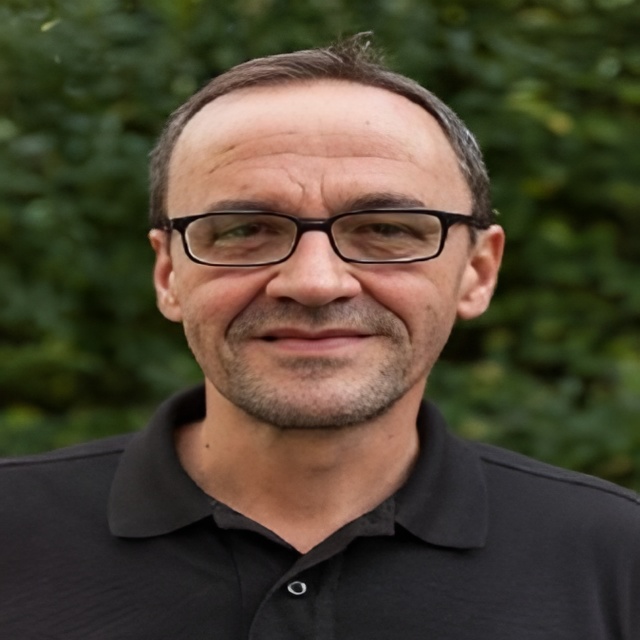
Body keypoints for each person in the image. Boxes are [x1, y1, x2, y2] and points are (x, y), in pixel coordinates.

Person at [1, 35, 638, 639]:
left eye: (386, 229)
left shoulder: (617, 558)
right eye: (244, 231)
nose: (314, 282)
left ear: (477, 272)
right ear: (169, 273)